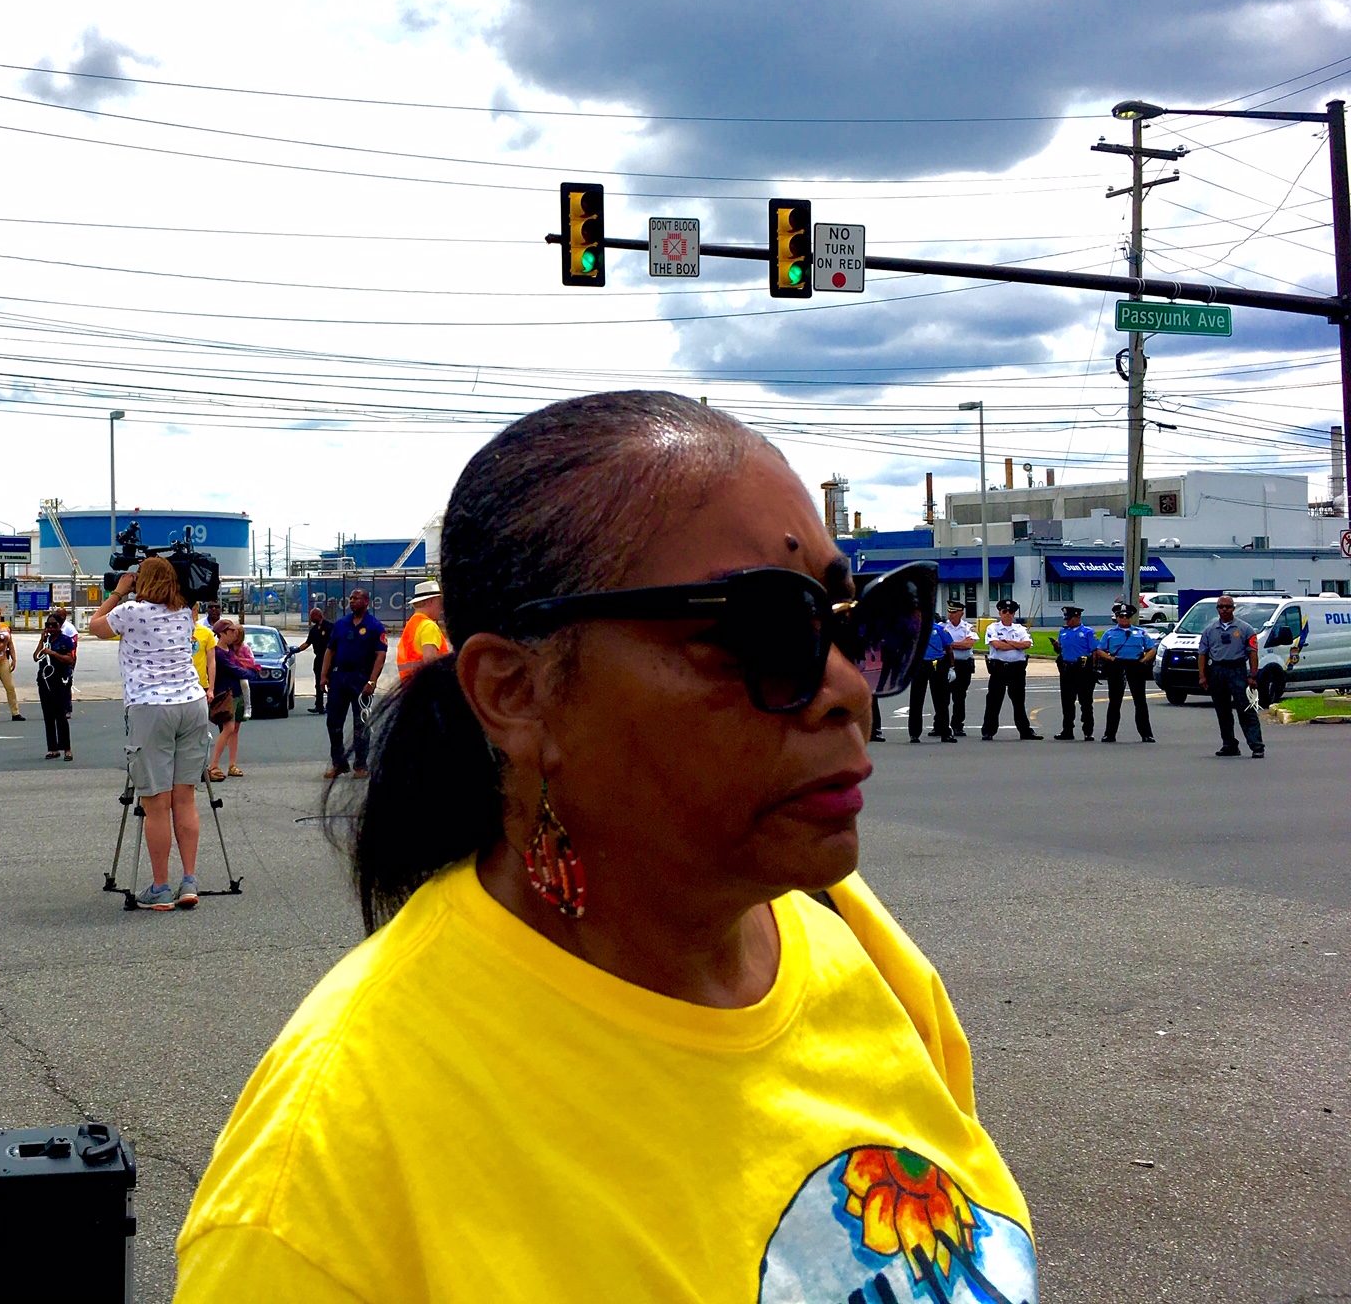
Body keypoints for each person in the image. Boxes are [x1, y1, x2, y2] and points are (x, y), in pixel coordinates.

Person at [173, 393, 1034, 1303]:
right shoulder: (332, 1174)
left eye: (855, 622)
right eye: (761, 628)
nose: (849, 691)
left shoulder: (864, 948)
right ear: (515, 691)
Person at [90, 557, 211, 911]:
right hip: (192, 702)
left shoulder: (131, 611)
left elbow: (96, 626)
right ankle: (189, 880)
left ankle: (160, 886)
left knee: (156, 802)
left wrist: (117, 592)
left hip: (150, 707)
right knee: (184, 797)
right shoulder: (185, 613)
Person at [321, 588, 386, 779]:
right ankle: (339, 763)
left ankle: (361, 765)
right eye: (350, 598)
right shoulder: (341, 624)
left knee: (361, 724)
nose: (352, 601)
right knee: (333, 722)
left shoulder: (375, 626)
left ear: (366, 602)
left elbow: (380, 655)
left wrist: (372, 681)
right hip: (339, 678)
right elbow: (330, 651)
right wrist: (324, 676)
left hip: (361, 679)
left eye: (356, 598)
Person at [1197, 594, 1265, 758]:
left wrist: (1253, 675)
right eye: (1221, 607)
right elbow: (1202, 654)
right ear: (1217, 609)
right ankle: (1229, 745)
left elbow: (1253, 653)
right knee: (1223, 710)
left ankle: (1257, 746)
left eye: (1228, 607)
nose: (1224, 610)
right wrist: (1203, 676)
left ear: (1233, 608)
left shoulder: (1245, 629)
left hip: (1237, 670)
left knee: (1246, 709)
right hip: (1218, 671)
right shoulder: (1209, 630)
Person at [1097, 600, 1158, 743]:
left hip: (1135, 665)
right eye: (1121, 616)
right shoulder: (1109, 633)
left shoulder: (1140, 632)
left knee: (1140, 701)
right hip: (1117, 665)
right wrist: (1110, 659)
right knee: (1115, 701)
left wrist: (1144, 661)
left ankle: (1146, 734)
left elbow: (1152, 649)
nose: (1124, 619)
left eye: (1127, 616)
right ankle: (1109, 734)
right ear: (1116, 617)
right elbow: (1100, 649)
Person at [979, 599, 1040, 741]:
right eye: (1004, 611)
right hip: (998, 669)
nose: (1007, 614)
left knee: (1019, 702)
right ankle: (988, 730)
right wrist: (1016, 645)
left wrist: (1007, 642)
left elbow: (1027, 644)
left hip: (1017, 669)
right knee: (994, 701)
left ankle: (1025, 731)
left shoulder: (1020, 629)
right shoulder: (993, 628)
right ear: (999, 612)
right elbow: (997, 645)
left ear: (1014, 614)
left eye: (1011, 612)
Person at [210, 620, 262, 781]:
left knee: (235, 729)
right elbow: (235, 670)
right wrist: (252, 673)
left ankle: (232, 764)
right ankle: (213, 765)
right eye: (232, 632)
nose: (235, 634)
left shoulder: (232, 649)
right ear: (223, 633)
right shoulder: (219, 653)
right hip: (225, 693)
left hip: (237, 692)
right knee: (228, 728)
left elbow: (243, 663)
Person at [907, 606, 955, 743]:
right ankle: (914, 733)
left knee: (941, 700)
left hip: (936, 665)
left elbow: (949, 648)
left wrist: (952, 668)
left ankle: (945, 732)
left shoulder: (939, 629)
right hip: (919, 665)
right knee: (916, 700)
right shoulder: (913, 630)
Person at [34, 609, 77, 760]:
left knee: (60, 715)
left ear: (59, 625)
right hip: (45, 680)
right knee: (48, 715)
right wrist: (42, 640)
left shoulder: (65, 639)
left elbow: (69, 659)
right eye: (48, 625)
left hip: (59, 680)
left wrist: (53, 653)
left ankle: (66, 748)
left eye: (53, 625)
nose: (51, 628)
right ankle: (52, 748)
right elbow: (36, 657)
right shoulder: (46, 641)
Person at [1052, 605, 1099, 741]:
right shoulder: (1063, 631)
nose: (1067, 621)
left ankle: (1088, 731)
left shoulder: (1088, 632)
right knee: (1067, 701)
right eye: (1066, 619)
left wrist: (1095, 669)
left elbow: (1095, 651)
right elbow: (1060, 650)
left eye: (1070, 618)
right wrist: (1056, 646)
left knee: (1085, 702)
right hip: (1067, 669)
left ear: (1078, 617)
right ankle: (1067, 730)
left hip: (1083, 670)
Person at [396, 581, 449, 684]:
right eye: (439, 602)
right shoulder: (428, 626)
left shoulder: (412, 624)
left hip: (410, 688)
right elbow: (430, 663)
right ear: (431, 601)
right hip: (428, 690)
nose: (441, 608)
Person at [943, 600, 977, 736]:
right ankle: (940, 724)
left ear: (961, 613)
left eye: (954, 612)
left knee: (959, 696)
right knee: (942, 696)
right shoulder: (943, 626)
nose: (951, 615)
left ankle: (957, 725)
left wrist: (949, 644)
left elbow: (968, 644)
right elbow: (938, 643)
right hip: (945, 664)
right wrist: (958, 644)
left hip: (963, 665)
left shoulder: (968, 627)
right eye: (949, 612)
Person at [293, 604, 333, 714]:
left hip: (330, 659)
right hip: (319, 659)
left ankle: (331, 706)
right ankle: (319, 705)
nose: (310, 619)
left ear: (318, 616)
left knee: (330, 683)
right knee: (318, 683)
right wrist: (296, 650)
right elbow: (307, 643)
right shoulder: (314, 630)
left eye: (312, 616)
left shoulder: (330, 627)